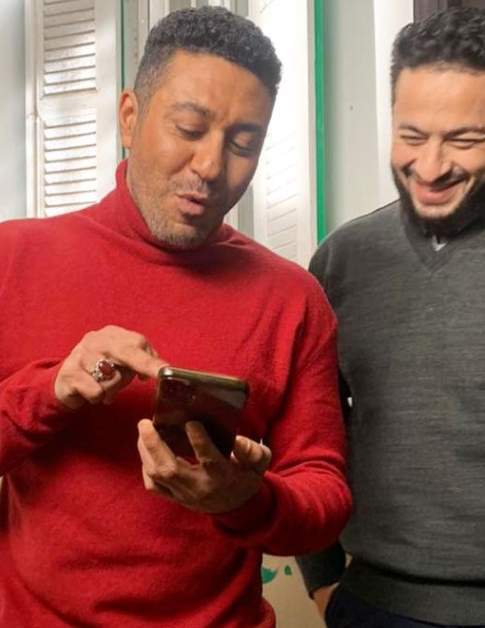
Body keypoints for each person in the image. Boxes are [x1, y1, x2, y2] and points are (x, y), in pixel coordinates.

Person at [0, 6, 351, 628]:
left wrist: (248, 500)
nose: (211, 167)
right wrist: (51, 390)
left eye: (243, 144)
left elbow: (324, 496)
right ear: (129, 117)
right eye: (189, 128)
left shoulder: (293, 299)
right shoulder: (13, 258)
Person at [296, 6, 485, 628]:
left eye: (464, 140)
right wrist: (324, 580)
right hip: (373, 606)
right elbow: (306, 436)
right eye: (412, 136)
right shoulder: (341, 260)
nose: (430, 167)